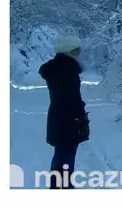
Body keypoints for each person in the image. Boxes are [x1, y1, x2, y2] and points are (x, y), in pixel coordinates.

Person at [39, 35, 89, 189]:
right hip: (68, 119)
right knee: (66, 156)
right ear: (70, 51)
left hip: (57, 116)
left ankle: (58, 186)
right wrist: (80, 118)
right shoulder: (68, 70)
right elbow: (71, 97)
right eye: (77, 50)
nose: (80, 53)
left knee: (61, 155)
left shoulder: (56, 68)